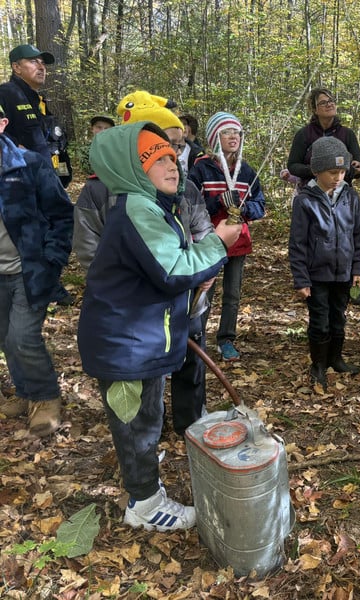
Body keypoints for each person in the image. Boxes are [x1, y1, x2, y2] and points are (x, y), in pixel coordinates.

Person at [77, 121, 241, 531]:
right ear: (130, 169)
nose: (171, 165)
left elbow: (167, 270)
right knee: (136, 425)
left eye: (170, 155)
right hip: (125, 346)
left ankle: (144, 470)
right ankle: (144, 503)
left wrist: (200, 266)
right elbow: (172, 270)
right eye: (155, 159)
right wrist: (217, 243)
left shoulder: (154, 208)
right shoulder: (137, 210)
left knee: (145, 419)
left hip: (141, 340)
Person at [73, 91, 216, 435]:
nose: (172, 158)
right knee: (145, 380)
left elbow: (203, 228)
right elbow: (90, 252)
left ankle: (190, 423)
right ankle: (147, 436)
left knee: (190, 360)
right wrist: (149, 275)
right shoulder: (98, 192)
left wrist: (202, 266)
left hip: (188, 294)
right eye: (162, 146)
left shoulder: (183, 188)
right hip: (137, 312)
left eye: (177, 147)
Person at [0, 102, 73, 435]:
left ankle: (46, 397)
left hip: (28, 271)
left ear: (2, 124)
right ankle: (24, 392)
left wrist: (51, 261)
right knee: (5, 337)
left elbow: (61, 215)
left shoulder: (28, 165)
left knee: (23, 336)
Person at [289, 137, 360, 391]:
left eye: (342, 172)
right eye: (332, 172)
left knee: (338, 319)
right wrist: (301, 279)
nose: (338, 177)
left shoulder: (351, 198)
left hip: (343, 274)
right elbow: (298, 243)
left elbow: (358, 236)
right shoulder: (305, 201)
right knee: (319, 321)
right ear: (316, 171)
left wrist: (357, 269)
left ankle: (336, 358)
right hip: (317, 275)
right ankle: (318, 364)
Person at [189, 111, 266, 362]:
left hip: (238, 241)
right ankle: (195, 339)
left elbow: (260, 207)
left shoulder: (247, 172)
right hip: (208, 241)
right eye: (226, 132)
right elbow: (190, 206)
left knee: (232, 293)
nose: (233, 137)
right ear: (214, 137)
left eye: (237, 132)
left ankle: (226, 340)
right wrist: (217, 201)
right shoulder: (201, 169)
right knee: (204, 290)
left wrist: (244, 209)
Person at [0, 44, 71, 187]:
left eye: (42, 63)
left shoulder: (38, 101)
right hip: (18, 186)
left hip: (45, 183)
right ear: (16, 67)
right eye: (33, 61)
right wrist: (17, 148)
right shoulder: (5, 94)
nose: (41, 67)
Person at [286, 88, 360, 189]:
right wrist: (317, 169)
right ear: (314, 109)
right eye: (323, 103)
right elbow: (293, 166)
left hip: (341, 194)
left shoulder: (347, 134)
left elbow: (359, 169)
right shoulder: (304, 134)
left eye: (331, 101)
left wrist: (356, 169)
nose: (329, 104)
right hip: (311, 193)